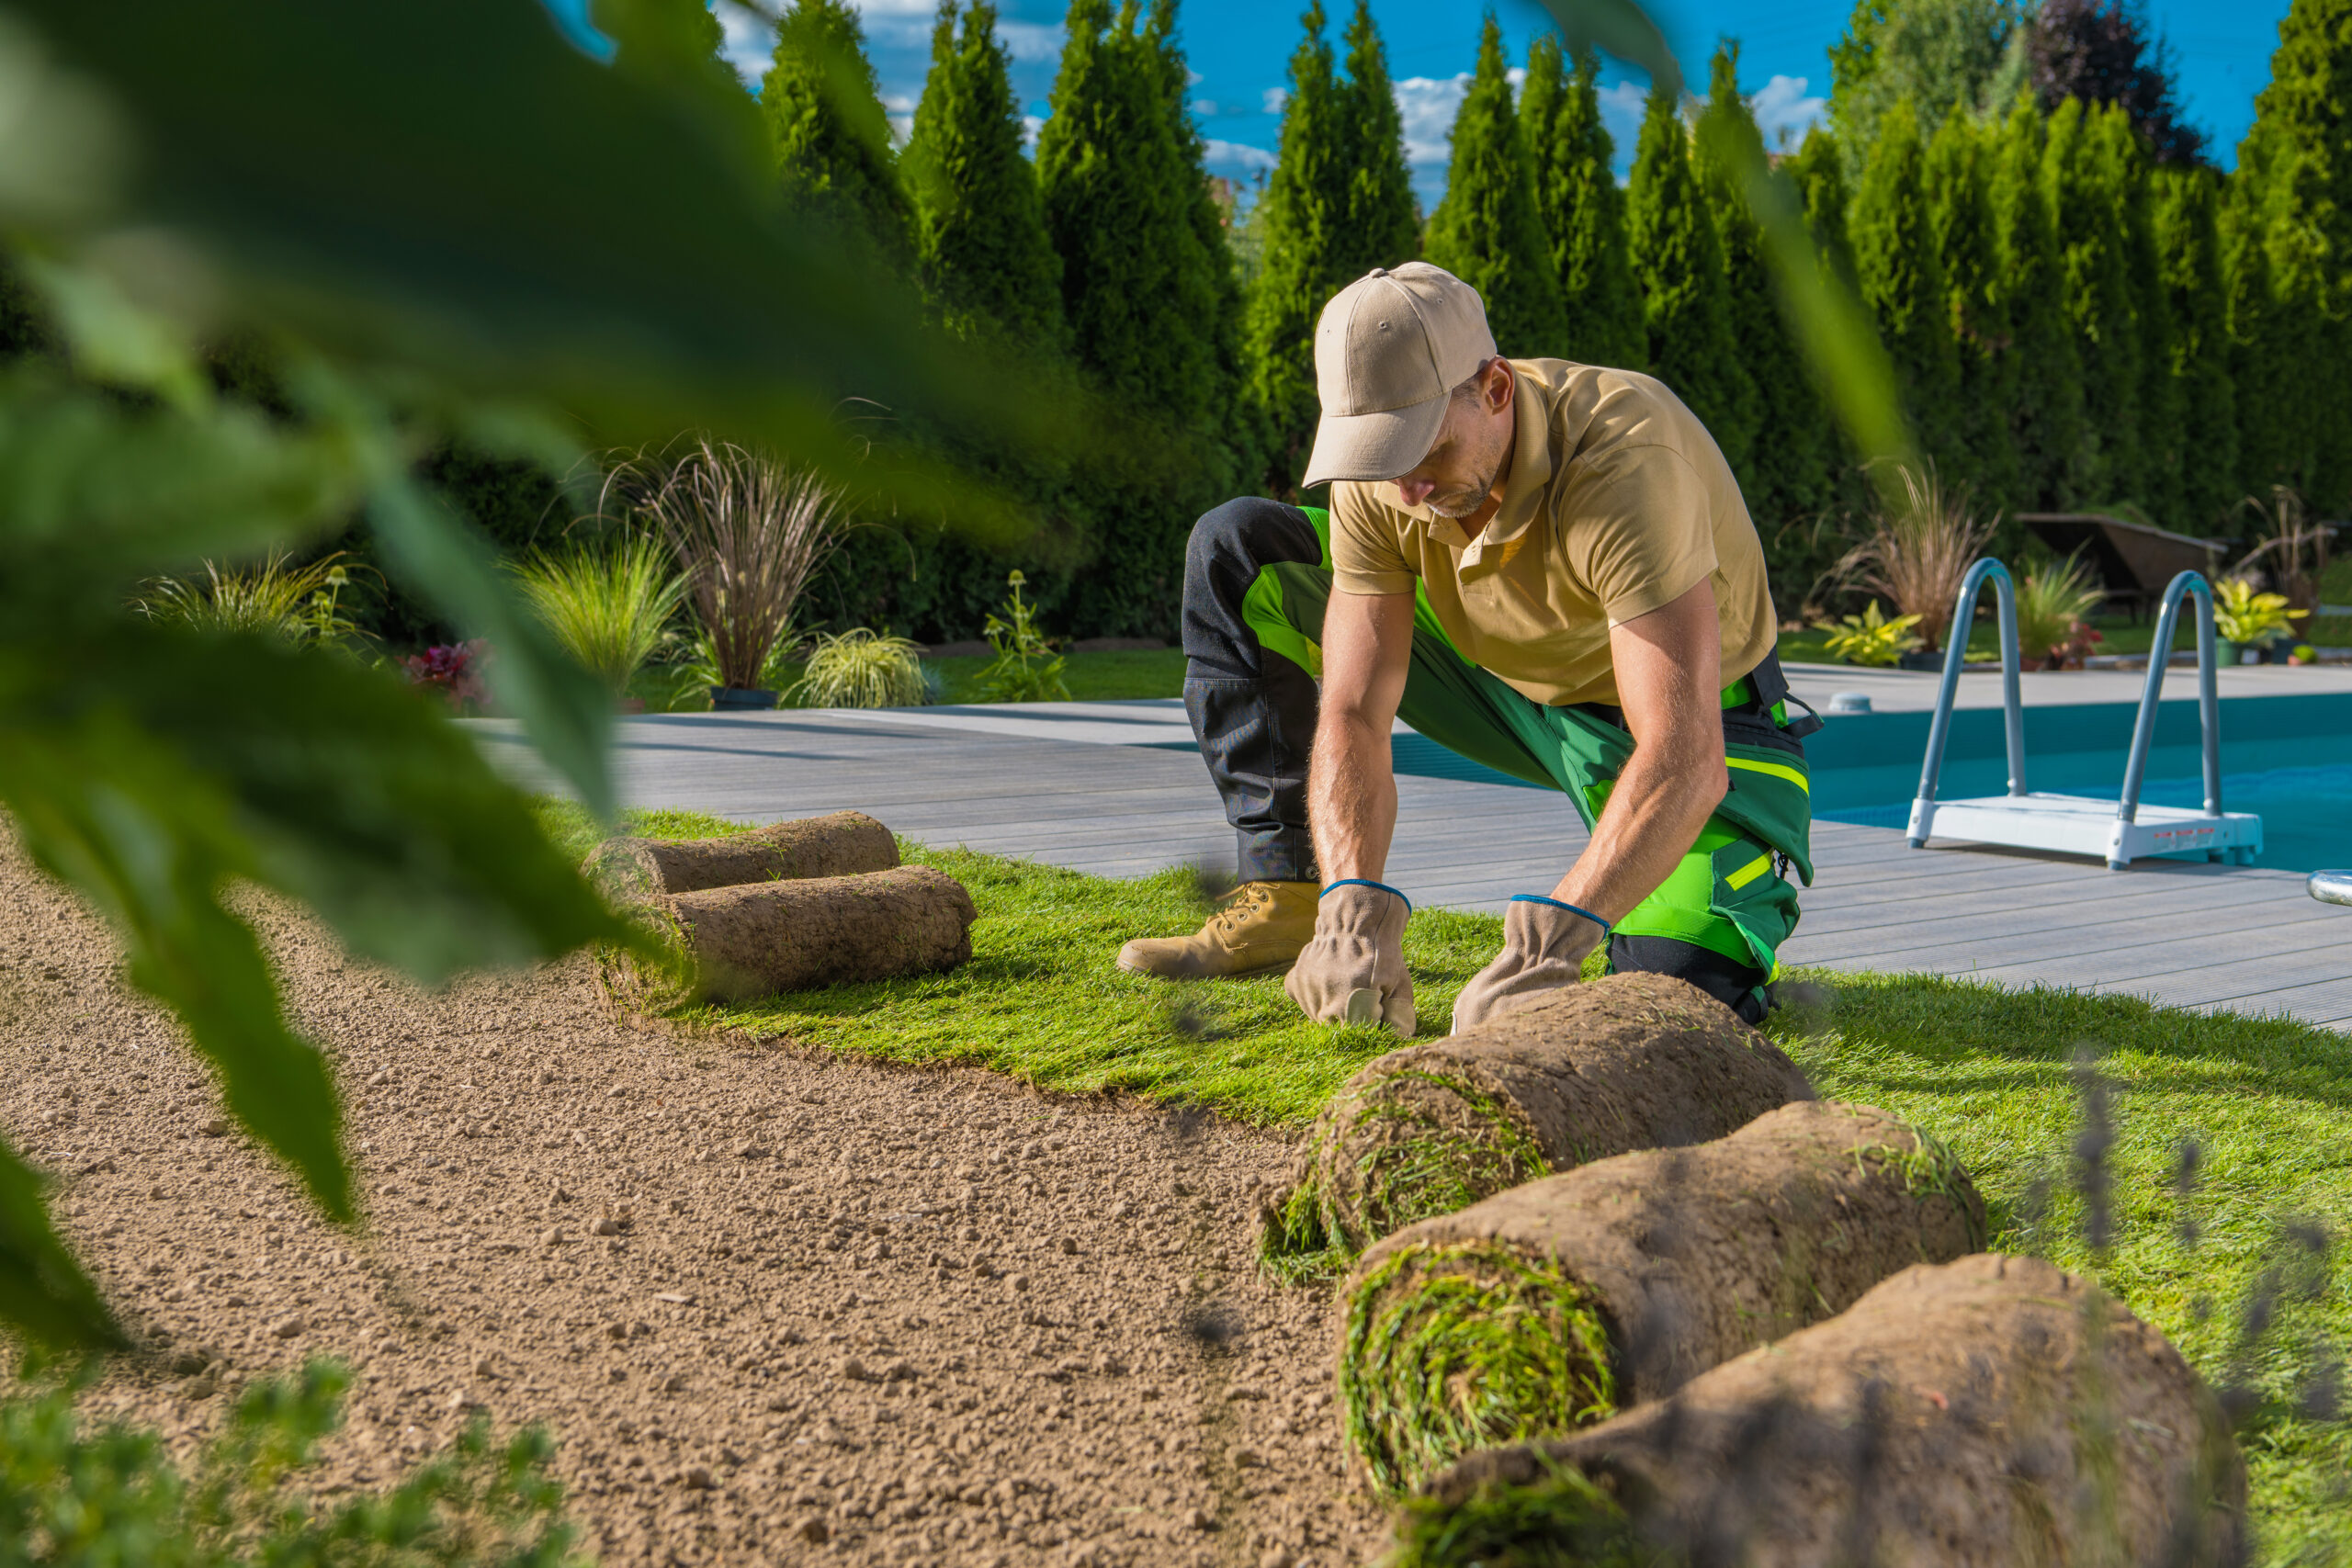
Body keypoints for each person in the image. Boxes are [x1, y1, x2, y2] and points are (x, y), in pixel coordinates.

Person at [1116, 262, 1818, 1030]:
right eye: (1380, 454)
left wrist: (1548, 948)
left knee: (1676, 985)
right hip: (1500, 682)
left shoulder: (1626, 461)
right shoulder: (1385, 478)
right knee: (1239, 549)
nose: (1406, 488)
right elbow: (1355, 708)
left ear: (1495, 389)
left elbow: (1684, 755)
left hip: (1682, 722)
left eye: (1423, 447)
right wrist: (1349, 907)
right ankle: (1291, 892)